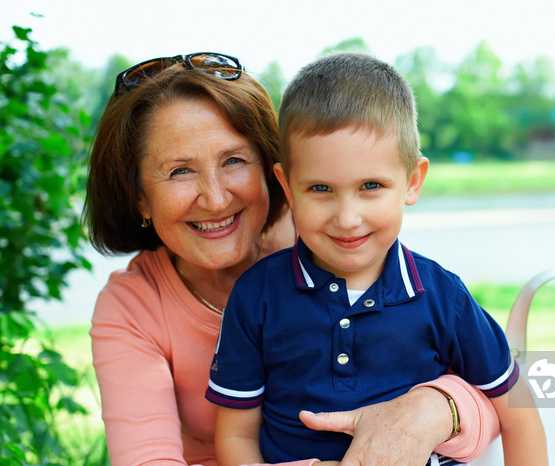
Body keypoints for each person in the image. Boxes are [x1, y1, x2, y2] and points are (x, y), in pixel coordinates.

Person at [84, 52, 503, 466]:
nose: (214, 198)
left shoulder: (341, 243)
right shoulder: (132, 307)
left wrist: (432, 410)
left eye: (233, 160)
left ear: (272, 169)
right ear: (139, 196)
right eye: (180, 171)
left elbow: (507, 390)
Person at [206, 52, 548, 466]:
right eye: (320, 189)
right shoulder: (256, 298)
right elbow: (236, 435)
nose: (347, 219)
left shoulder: (444, 297)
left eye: (371, 185)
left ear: (412, 182)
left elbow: (518, 412)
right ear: (287, 186)